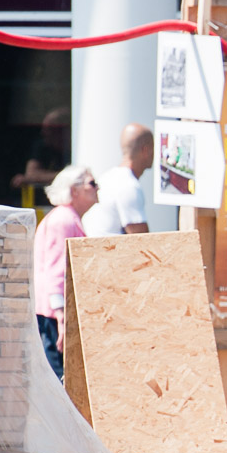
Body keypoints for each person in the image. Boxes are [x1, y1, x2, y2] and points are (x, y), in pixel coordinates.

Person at [32, 165, 98, 379]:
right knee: (58, 380)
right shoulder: (64, 220)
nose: (98, 188)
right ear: (74, 190)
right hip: (53, 314)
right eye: (92, 183)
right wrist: (61, 315)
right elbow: (56, 269)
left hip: (51, 311)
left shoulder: (65, 218)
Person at [83, 123, 154, 235]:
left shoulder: (107, 177)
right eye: (153, 148)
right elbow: (141, 240)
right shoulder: (129, 186)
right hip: (108, 251)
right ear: (146, 150)